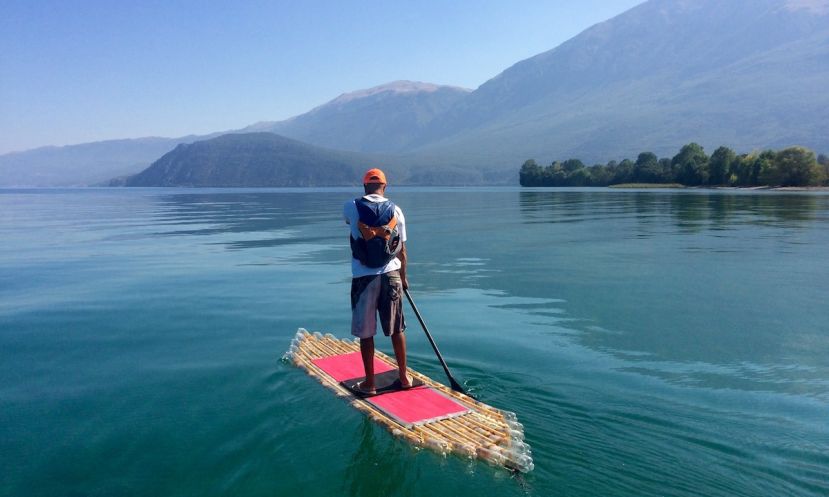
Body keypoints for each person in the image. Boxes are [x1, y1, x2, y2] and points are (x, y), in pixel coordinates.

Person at [344, 168, 411, 395]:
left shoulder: (351, 206)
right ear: (385, 186)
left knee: (366, 333)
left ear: (364, 187)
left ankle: (370, 384)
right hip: (392, 275)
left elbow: (349, 226)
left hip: (364, 277)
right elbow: (401, 250)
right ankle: (404, 377)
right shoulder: (397, 211)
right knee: (396, 328)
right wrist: (404, 278)